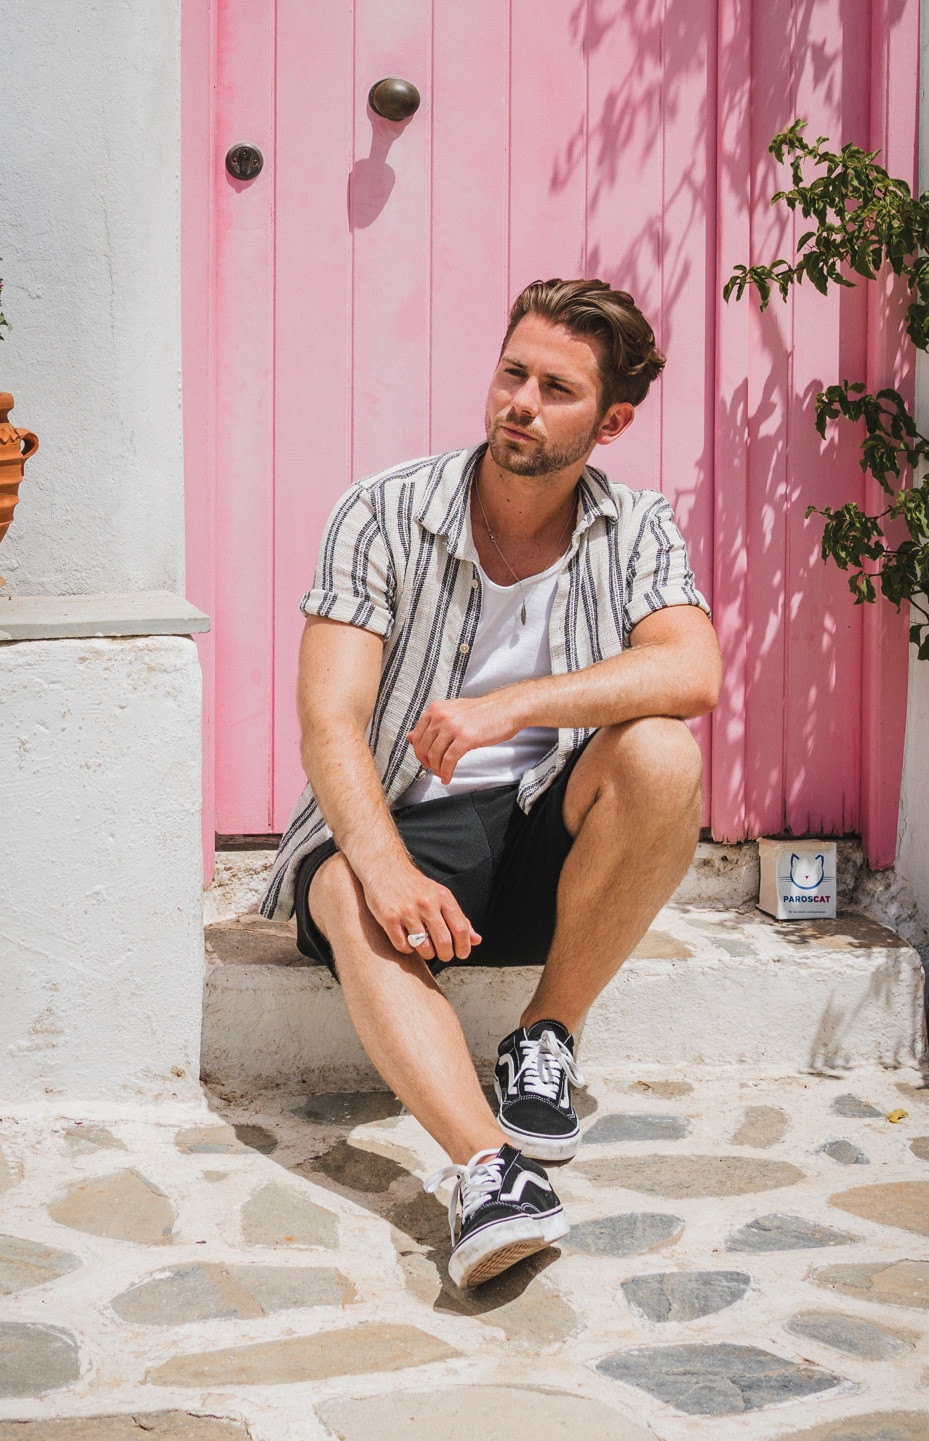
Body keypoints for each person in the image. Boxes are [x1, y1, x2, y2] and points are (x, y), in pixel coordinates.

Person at [260, 278, 722, 1288]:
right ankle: (491, 1171)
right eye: (512, 372)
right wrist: (381, 867)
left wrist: (512, 708)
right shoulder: (384, 512)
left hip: (545, 844)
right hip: (411, 830)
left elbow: (693, 672)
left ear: (612, 419)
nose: (520, 399)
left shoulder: (635, 526)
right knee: (339, 886)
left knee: (662, 751)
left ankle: (546, 1032)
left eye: (556, 387)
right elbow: (329, 715)